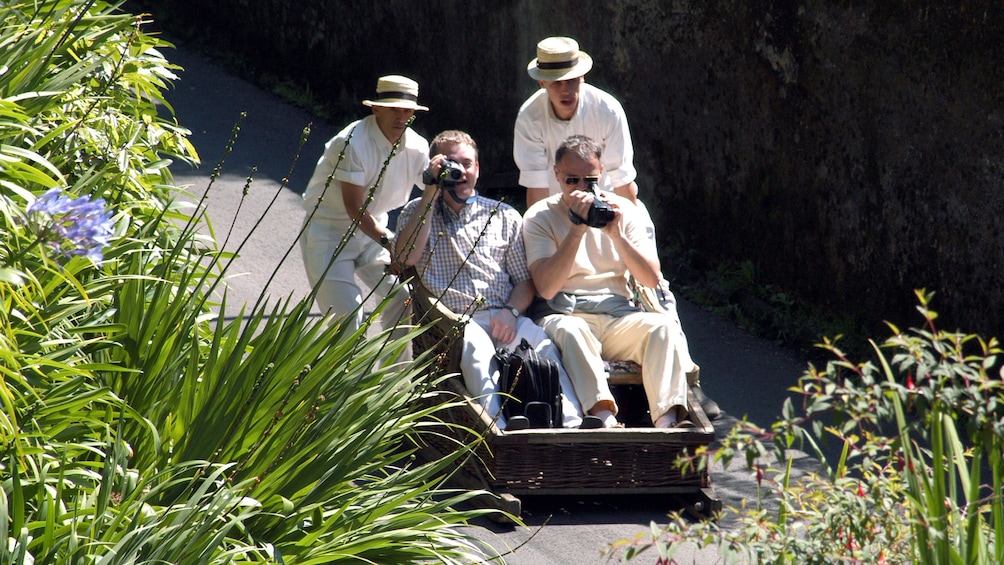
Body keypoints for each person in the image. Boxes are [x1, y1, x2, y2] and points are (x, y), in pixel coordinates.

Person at [514, 37, 720, 418]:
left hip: (619, 212)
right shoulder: (530, 118)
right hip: (566, 275)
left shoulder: (607, 108)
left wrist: (619, 223)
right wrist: (562, 224)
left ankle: (680, 395)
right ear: (542, 83)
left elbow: (623, 183)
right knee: (566, 320)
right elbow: (536, 190)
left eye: (572, 80)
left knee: (659, 301)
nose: (566, 89)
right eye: (557, 81)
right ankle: (603, 415)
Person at [396, 130, 592, 430]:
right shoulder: (416, 211)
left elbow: (524, 282)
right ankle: (499, 428)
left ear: (478, 168)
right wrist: (430, 191)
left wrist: (512, 312)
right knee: (476, 348)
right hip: (452, 320)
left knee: (543, 347)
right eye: (451, 163)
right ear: (434, 165)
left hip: (503, 314)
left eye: (467, 163)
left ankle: (571, 424)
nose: (460, 171)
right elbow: (405, 258)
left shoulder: (504, 215)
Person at [523, 135, 694, 429]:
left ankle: (667, 423)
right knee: (571, 329)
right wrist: (577, 228)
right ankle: (603, 417)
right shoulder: (540, 216)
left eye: (588, 180)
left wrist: (616, 233)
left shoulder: (624, 211)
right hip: (567, 313)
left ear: (601, 174)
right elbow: (547, 288)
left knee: (663, 328)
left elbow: (650, 278)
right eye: (571, 180)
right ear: (557, 175)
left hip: (618, 316)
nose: (580, 188)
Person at [300, 75, 428, 339]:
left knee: (404, 299)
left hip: (374, 232)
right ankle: (346, 380)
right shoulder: (351, 143)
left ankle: (394, 379)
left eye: (407, 111)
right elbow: (355, 208)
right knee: (348, 317)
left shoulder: (418, 147)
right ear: (376, 108)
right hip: (328, 233)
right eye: (394, 109)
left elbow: (432, 192)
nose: (401, 117)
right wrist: (390, 242)